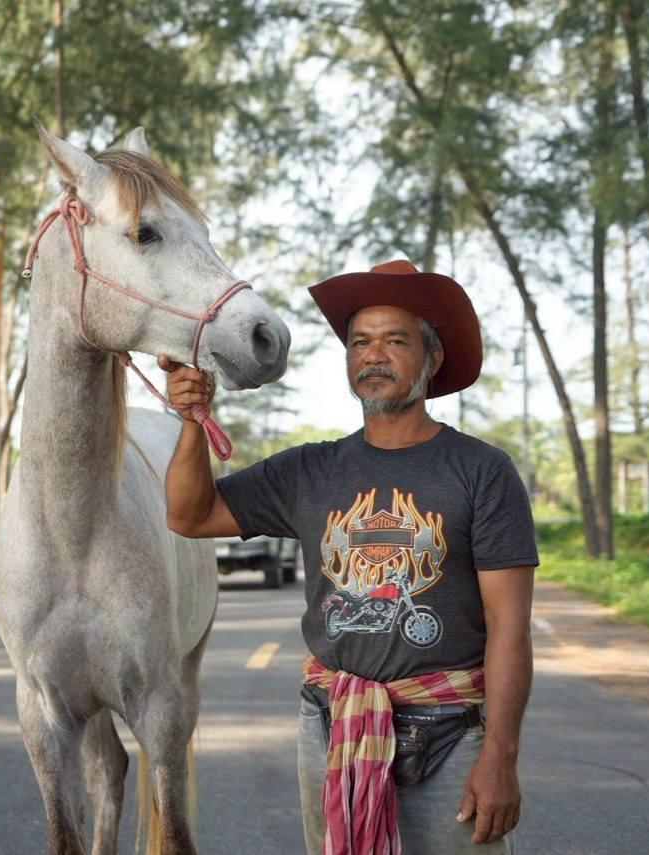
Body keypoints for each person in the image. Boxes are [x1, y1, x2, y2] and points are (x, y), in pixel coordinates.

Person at [162, 260, 537, 854]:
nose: (374, 356)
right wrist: (191, 423)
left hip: (450, 734)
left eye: (395, 341)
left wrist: (500, 758)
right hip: (331, 724)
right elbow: (190, 514)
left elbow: (509, 626)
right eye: (360, 342)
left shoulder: (481, 472)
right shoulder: (309, 470)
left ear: (433, 358)